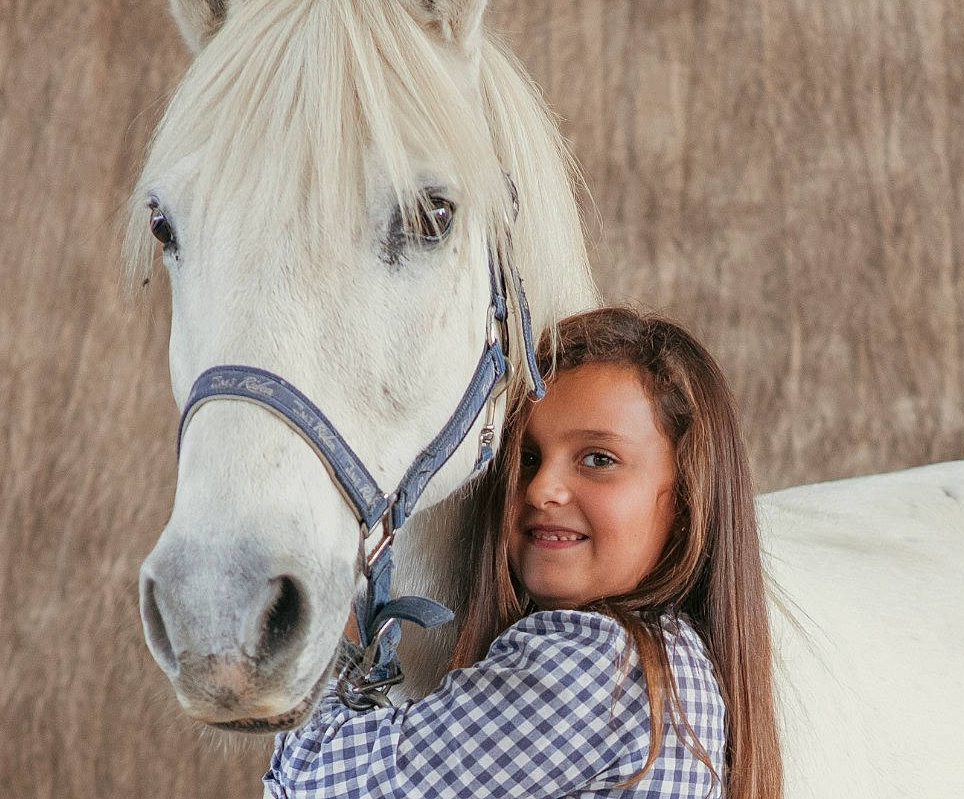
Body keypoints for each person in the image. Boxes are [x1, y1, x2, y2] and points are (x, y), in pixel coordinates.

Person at [263, 306, 783, 799]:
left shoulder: (595, 664)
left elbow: (318, 782)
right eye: (528, 458)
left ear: (688, 502)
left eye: (598, 459)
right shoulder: (676, 662)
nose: (540, 490)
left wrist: (340, 633)